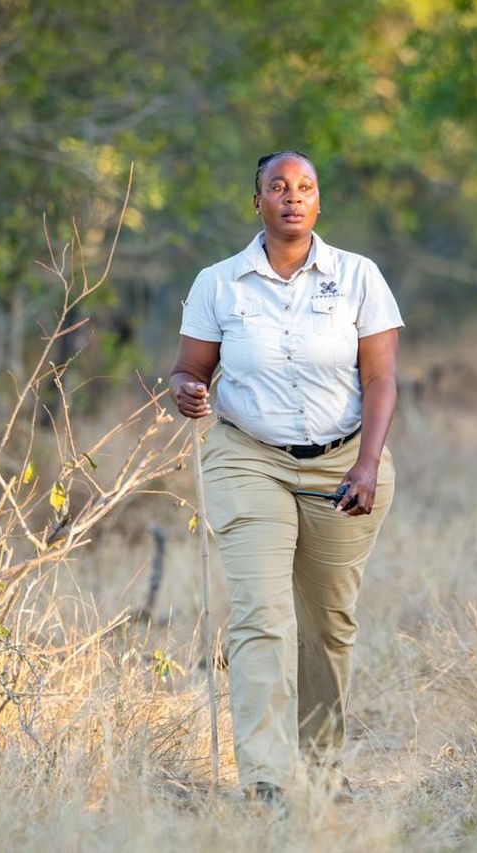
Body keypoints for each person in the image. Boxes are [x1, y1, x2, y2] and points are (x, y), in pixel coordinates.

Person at [169, 150, 402, 804]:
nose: (292, 197)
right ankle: (267, 779)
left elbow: (381, 378)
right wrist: (186, 389)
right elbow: (188, 368)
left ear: (318, 202)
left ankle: (323, 769)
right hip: (248, 456)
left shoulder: (360, 277)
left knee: (326, 623)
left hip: (344, 461)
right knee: (261, 614)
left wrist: (366, 463)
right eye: (278, 187)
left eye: (305, 188)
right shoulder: (219, 283)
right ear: (258, 202)